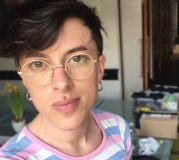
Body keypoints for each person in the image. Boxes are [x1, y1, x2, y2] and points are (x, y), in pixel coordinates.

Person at [0, 0, 132, 159]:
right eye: (38, 64)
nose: (62, 83)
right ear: (24, 78)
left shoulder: (119, 128)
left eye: (77, 59)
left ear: (100, 69)